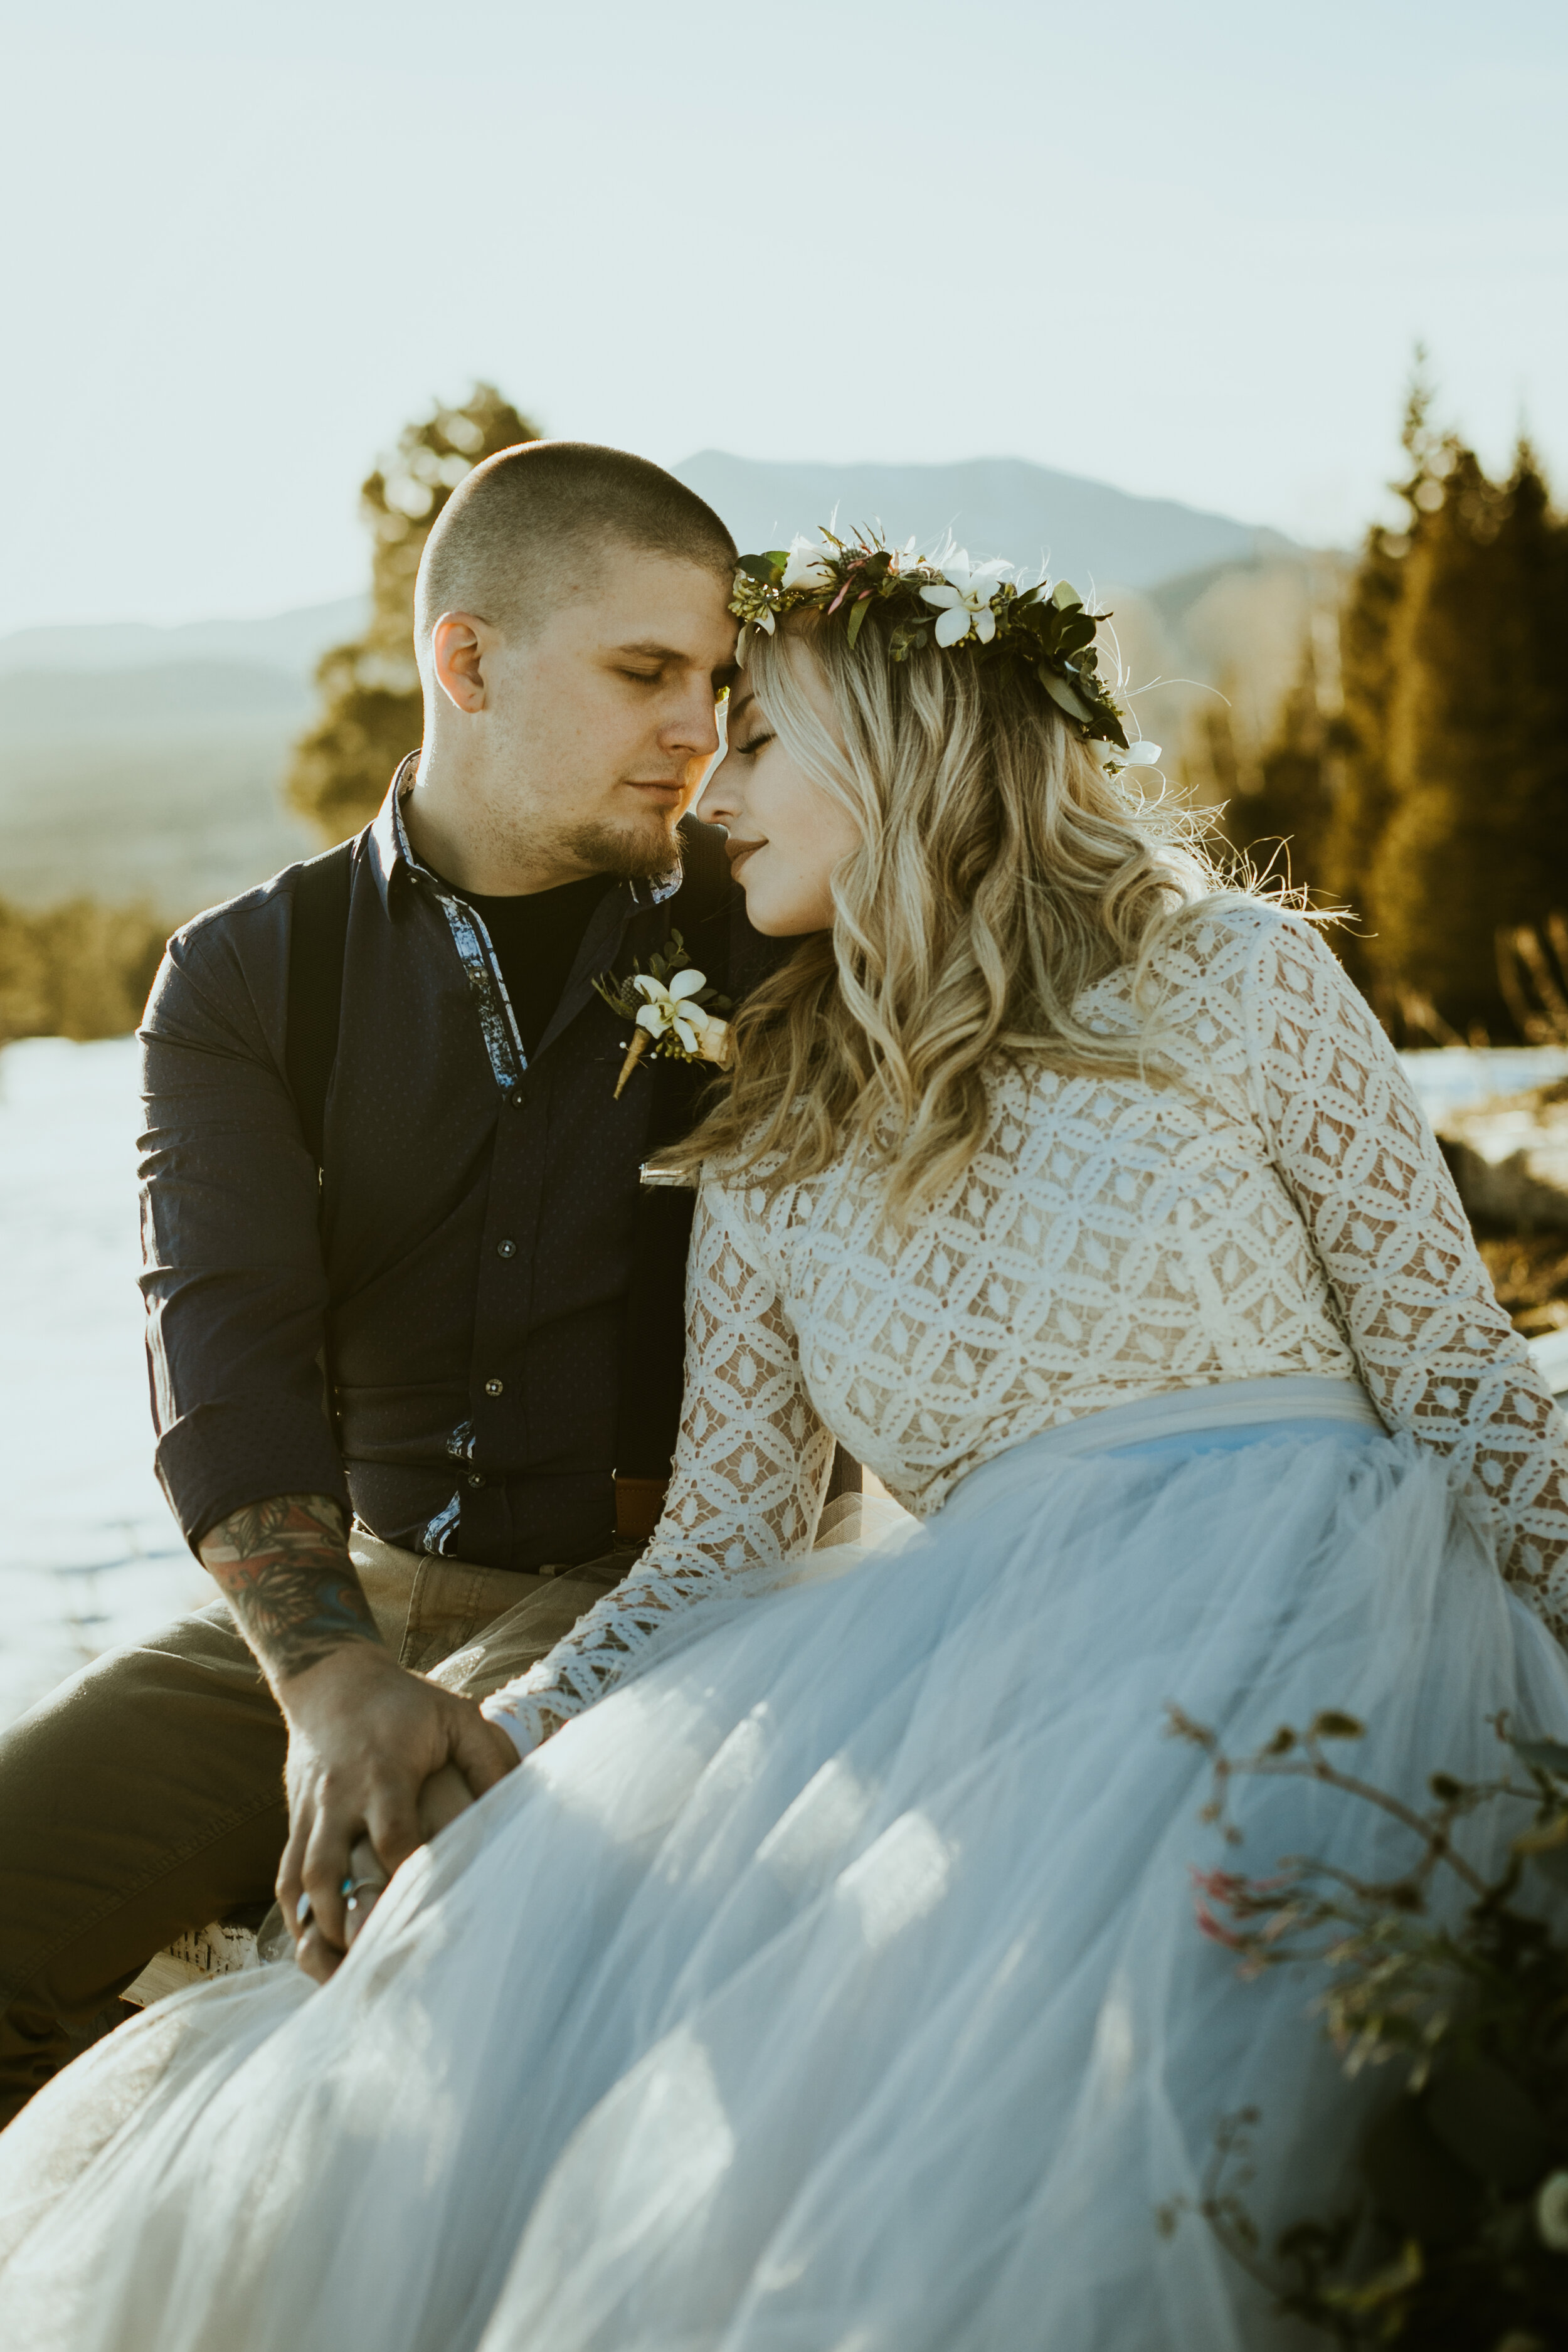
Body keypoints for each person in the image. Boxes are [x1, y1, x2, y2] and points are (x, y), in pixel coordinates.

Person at [2, 528, 1566, 2351]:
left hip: (1335, 1626)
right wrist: (464, 1741)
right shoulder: (751, 1105)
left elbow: (1461, 1380)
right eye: (671, 707)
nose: (702, 776)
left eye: (745, 729)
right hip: (891, 1665)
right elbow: (690, 1527)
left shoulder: (1226, 976)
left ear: (902, 745)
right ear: (465, 659)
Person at [0, 440, 802, 2106]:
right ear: (467, 659)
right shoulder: (245, 976)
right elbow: (224, 1354)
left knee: (438, 1954)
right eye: (646, 672)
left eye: (718, 682)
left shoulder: (769, 923)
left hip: (662, 1606)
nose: (698, 732)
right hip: (332, 1607)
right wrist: (328, 1671)